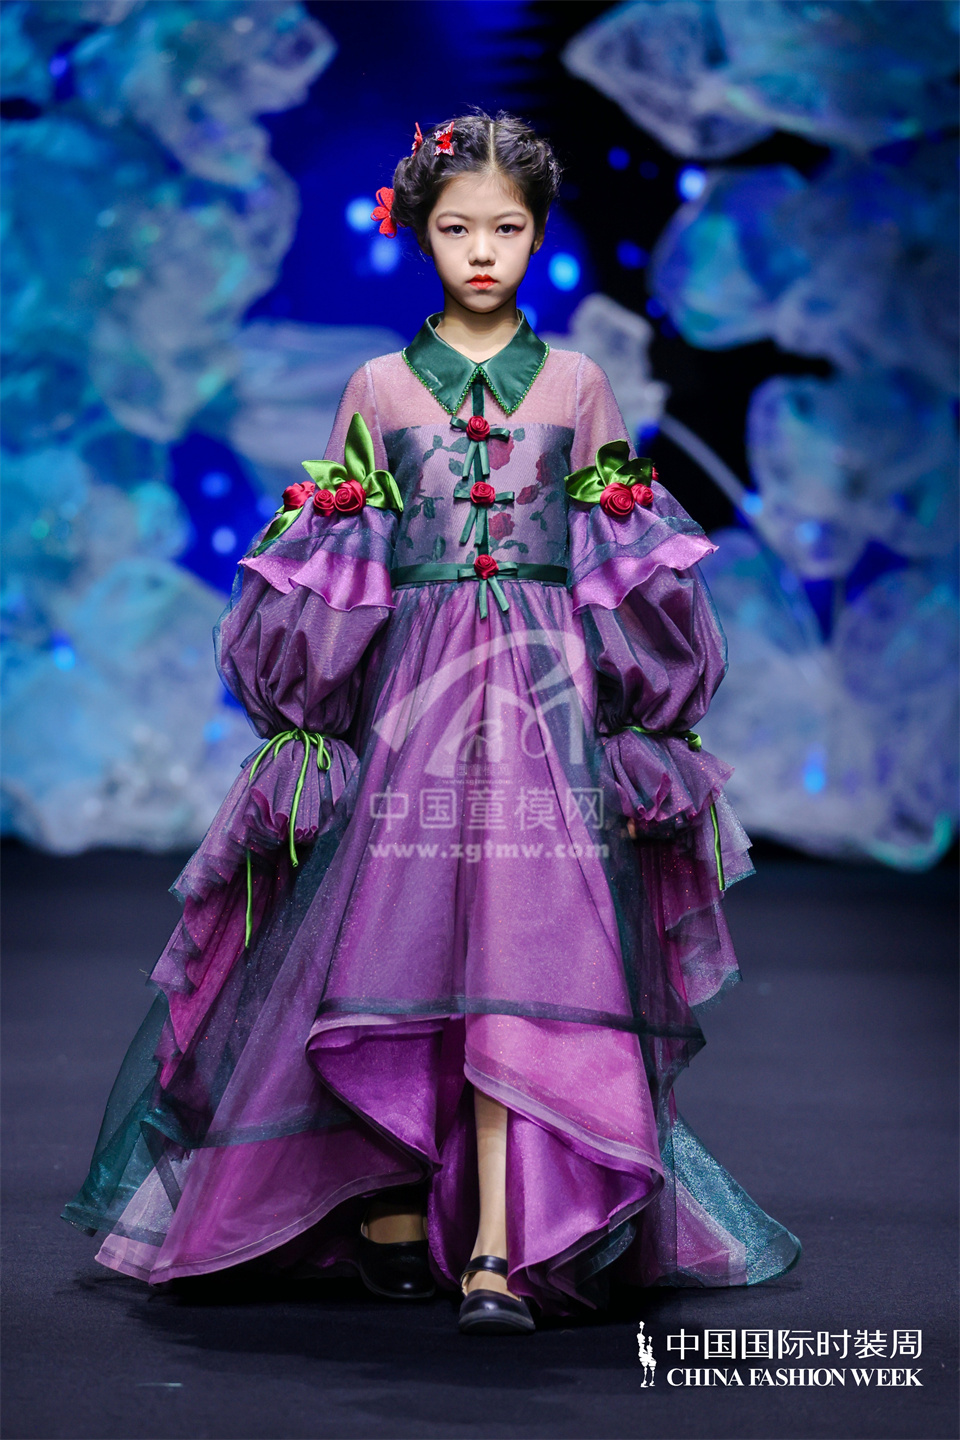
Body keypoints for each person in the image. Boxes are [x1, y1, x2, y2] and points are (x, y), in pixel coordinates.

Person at [63, 111, 800, 1336]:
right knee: (397, 943)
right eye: (458, 228)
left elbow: (623, 562)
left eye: (506, 228)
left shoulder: (577, 384)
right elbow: (334, 560)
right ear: (420, 234)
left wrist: (639, 710)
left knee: (527, 949)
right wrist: (311, 705)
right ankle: (396, 1196)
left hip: (544, 707)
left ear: (539, 234)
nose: (482, 251)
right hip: (415, 699)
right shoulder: (379, 386)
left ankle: (499, 1246)